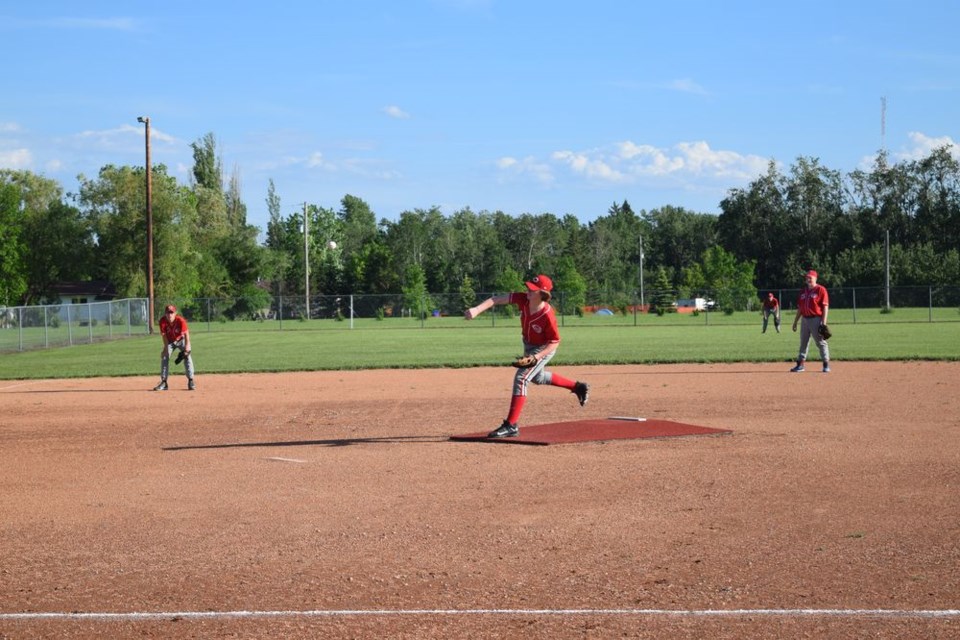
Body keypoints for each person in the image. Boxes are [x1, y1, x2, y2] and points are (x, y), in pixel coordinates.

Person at [464, 274, 589, 438]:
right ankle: (578, 387)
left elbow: (554, 342)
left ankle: (511, 425)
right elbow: (496, 299)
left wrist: (537, 357)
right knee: (538, 377)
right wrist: (477, 310)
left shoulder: (547, 315)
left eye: (533, 289)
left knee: (522, 378)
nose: (528, 290)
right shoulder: (523, 300)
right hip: (529, 345)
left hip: (544, 348)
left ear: (542, 294)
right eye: (529, 287)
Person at [790, 270, 830, 373]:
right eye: (807, 278)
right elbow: (800, 309)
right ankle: (800, 365)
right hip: (804, 320)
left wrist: (823, 322)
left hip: (816, 319)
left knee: (820, 342)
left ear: (815, 278)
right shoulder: (803, 292)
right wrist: (795, 322)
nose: (808, 279)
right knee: (803, 342)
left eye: (810, 278)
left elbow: (825, 307)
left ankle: (826, 364)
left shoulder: (821, 290)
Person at [153, 304, 196, 391]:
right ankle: (164, 382)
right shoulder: (162, 321)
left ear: (175, 313)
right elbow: (164, 336)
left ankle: (191, 380)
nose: (169, 315)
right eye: (168, 313)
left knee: (187, 355)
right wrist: (165, 349)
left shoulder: (180, 320)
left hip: (181, 340)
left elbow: (186, 333)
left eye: (171, 312)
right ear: (165, 314)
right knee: (165, 357)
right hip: (169, 342)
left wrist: (187, 346)